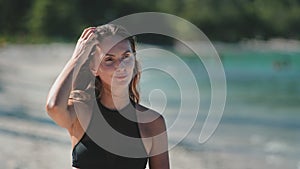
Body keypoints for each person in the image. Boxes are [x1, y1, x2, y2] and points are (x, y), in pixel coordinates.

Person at [45, 24, 170, 169]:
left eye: (126, 56)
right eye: (109, 59)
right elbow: (53, 106)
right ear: (94, 67)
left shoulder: (152, 123)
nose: (121, 66)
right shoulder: (82, 112)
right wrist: (77, 57)